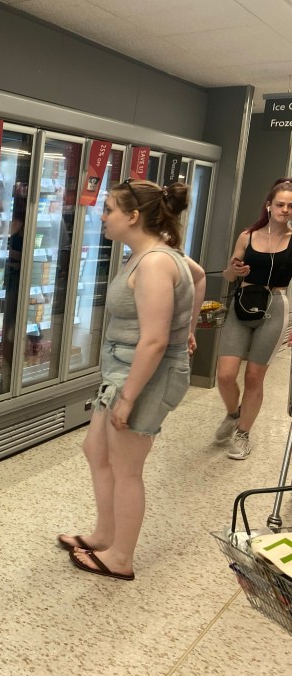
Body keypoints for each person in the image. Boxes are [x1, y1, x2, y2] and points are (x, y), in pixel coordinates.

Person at [58, 179, 205, 581]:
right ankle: (105, 533)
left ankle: (121, 556)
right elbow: (199, 276)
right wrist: (188, 326)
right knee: (95, 449)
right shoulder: (149, 254)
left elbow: (155, 341)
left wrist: (128, 398)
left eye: (108, 209)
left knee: (126, 468)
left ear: (134, 216)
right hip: (122, 369)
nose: (101, 217)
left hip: (143, 374)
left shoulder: (156, 262)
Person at [214, 177, 292, 459]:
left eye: (290, 206)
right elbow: (227, 274)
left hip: (275, 306)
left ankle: (244, 434)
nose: (285, 210)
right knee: (225, 374)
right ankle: (233, 414)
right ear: (269, 206)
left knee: (255, 376)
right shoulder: (248, 235)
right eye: (280, 204)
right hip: (243, 303)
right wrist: (236, 271)